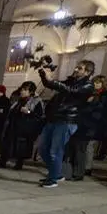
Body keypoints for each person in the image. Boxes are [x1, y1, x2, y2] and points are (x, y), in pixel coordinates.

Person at [37, 60, 95, 188]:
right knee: (42, 148)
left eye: (79, 68)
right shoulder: (70, 81)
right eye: (76, 67)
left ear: (87, 72)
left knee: (55, 151)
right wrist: (43, 73)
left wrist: (53, 81)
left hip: (67, 120)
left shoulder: (88, 86)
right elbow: (51, 85)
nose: (75, 69)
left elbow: (71, 90)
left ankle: (52, 179)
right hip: (54, 117)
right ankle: (56, 173)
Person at [0, 81, 44, 170]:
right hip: (13, 125)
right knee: (8, 144)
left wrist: (28, 112)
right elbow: (12, 111)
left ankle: (19, 163)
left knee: (21, 146)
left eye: (25, 90)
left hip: (25, 127)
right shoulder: (18, 100)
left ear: (30, 92)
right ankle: (3, 161)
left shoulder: (36, 101)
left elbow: (39, 116)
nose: (22, 92)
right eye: (22, 89)